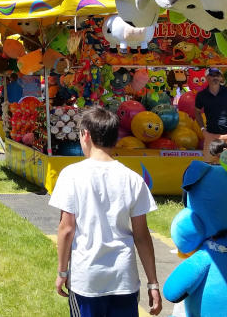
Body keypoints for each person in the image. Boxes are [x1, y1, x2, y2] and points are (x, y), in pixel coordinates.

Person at [51, 107, 162, 316]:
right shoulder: (133, 179)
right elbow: (142, 236)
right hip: (124, 278)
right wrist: (153, 283)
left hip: (87, 278)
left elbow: (66, 229)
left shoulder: (71, 175)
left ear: (86, 135)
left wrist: (62, 271)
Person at [195, 68, 227, 158]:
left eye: (217, 75)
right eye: (212, 75)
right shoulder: (201, 95)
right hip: (211, 135)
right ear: (207, 77)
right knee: (208, 164)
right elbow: (197, 112)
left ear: (221, 78)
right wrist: (202, 129)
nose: (215, 78)